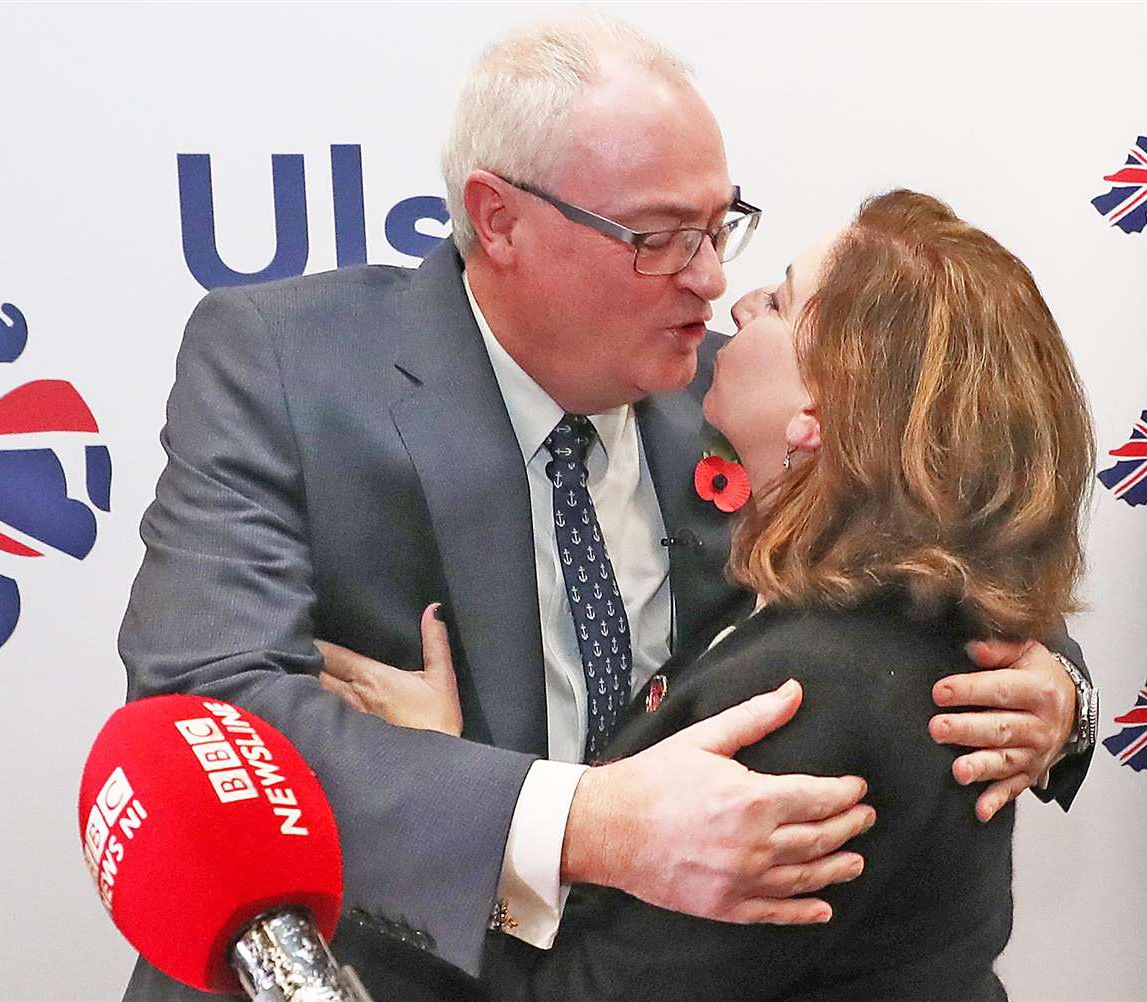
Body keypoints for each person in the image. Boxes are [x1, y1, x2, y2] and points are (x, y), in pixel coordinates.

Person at [118, 17, 1095, 1001]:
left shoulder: (744, 394)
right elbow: (204, 718)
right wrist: (584, 821)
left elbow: (941, 551)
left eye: (721, 228)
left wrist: (1061, 695)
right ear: (498, 220)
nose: (713, 281)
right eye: (660, 237)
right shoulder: (285, 367)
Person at [326, 188, 1092, 1001]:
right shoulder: (904, 604)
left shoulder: (807, 701)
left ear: (821, 411)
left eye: (782, 301)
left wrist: (439, 795)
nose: (739, 297)